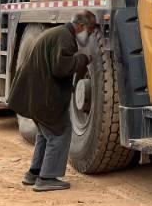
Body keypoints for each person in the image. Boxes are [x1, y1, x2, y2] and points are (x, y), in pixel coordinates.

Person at [7, 11, 95, 192]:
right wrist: (83, 59)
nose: (89, 34)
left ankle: (34, 173)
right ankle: (46, 178)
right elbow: (61, 67)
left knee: (45, 134)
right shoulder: (65, 38)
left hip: (34, 95)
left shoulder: (57, 33)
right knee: (60, 132)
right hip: (42, 97)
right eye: (89, 30)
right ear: (80, 26)